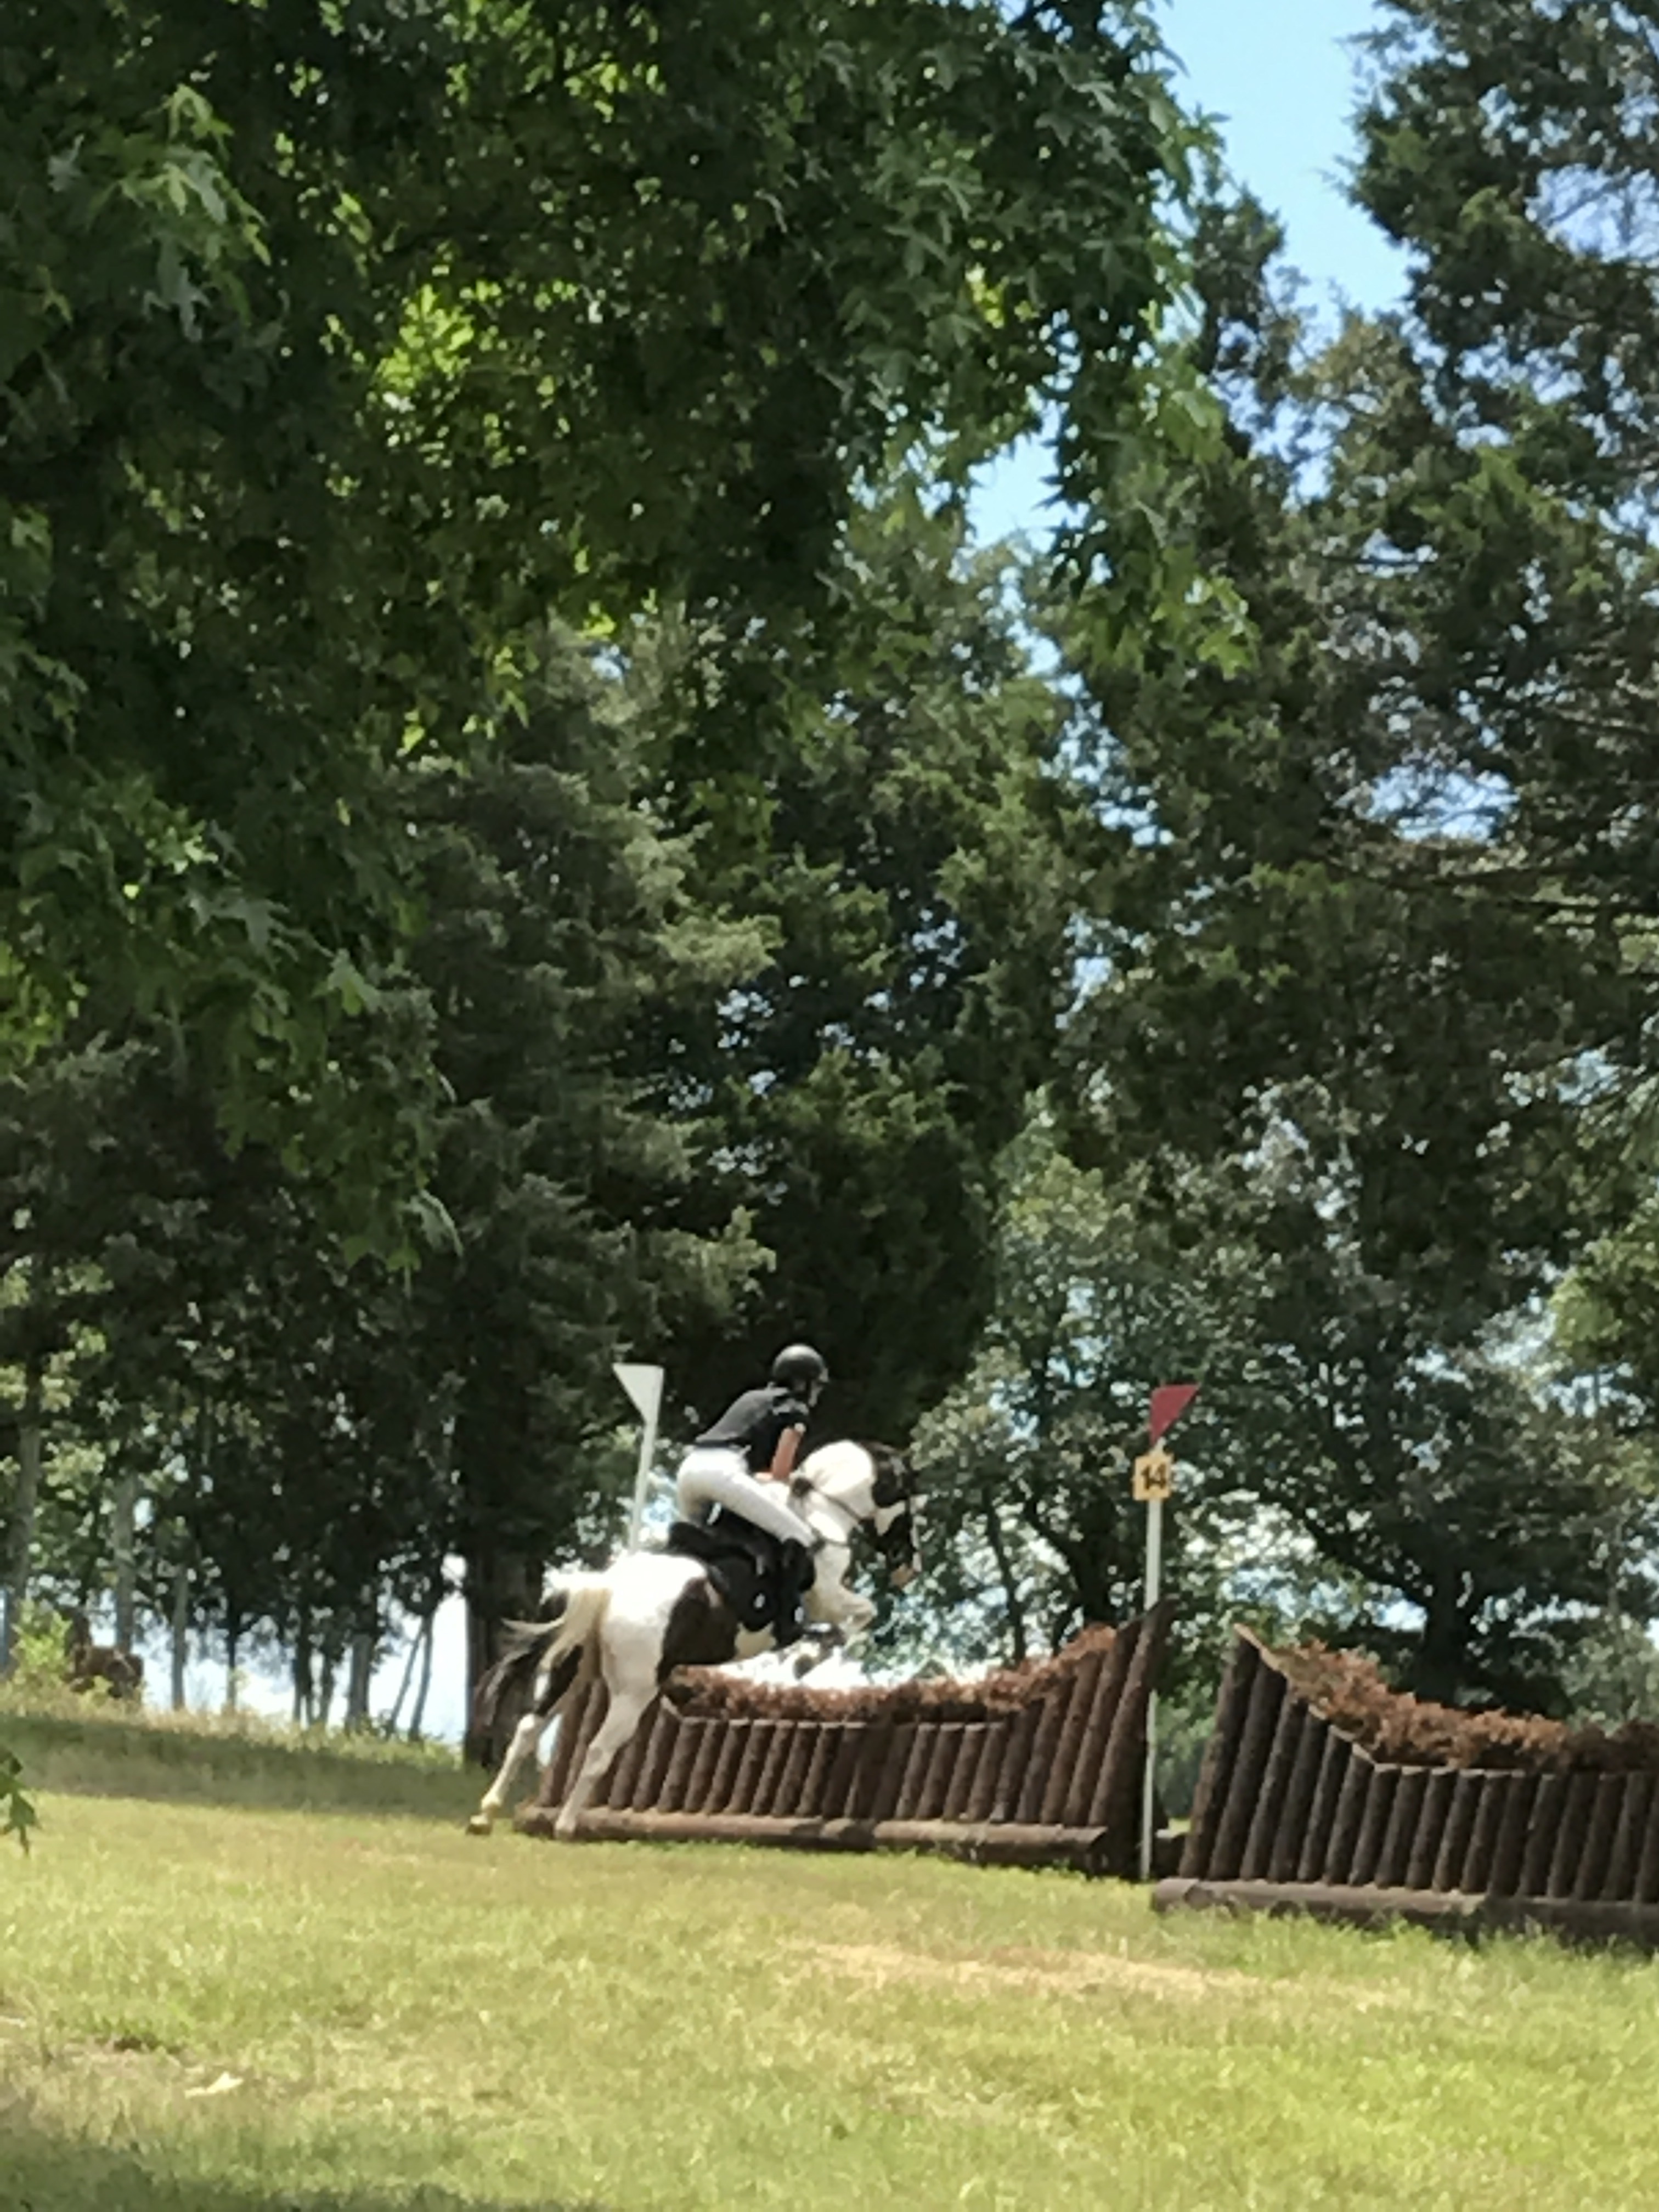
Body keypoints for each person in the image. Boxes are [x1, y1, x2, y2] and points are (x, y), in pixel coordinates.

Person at [674, 1343, 828, 1555]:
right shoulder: (796, 1409)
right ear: (802, 1383)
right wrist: (798, 1481)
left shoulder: (751, 1397)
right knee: (803, 1538)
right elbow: (780, 1473)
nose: (818, 1393)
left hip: (689, 1470)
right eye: (817, 1386)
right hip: (723, 1471)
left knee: (690, 1552)